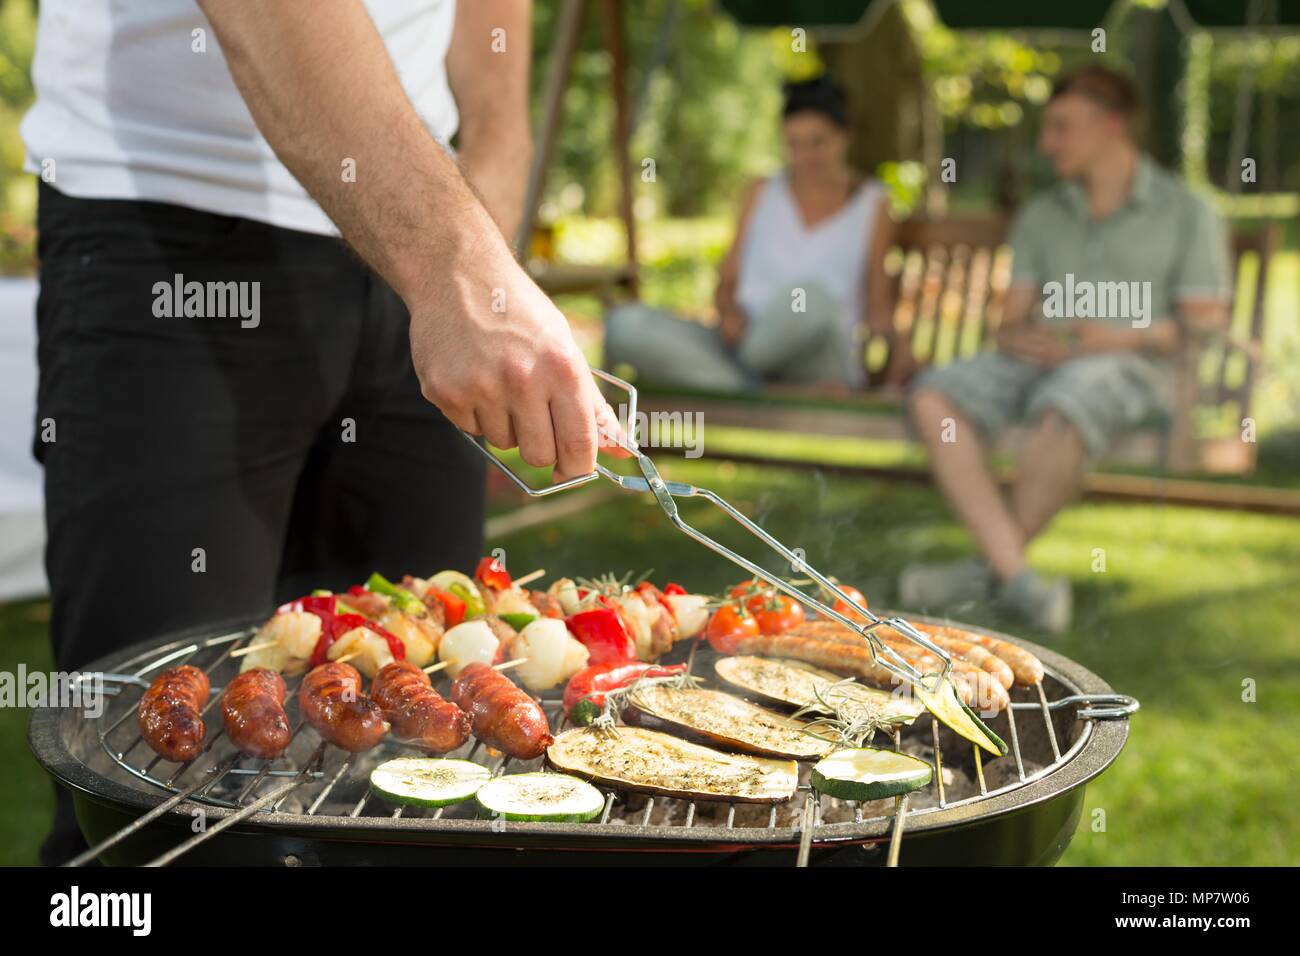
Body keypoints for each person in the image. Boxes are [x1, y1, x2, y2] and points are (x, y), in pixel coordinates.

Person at [23, 0, 622, 865]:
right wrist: (456, 261)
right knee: (156, 812)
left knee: (425, 796)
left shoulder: (443, 251)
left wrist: (485, 203)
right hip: (168, 224)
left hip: (415, 237)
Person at [901, 66, 1230, 633]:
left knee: (1066, 405)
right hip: (1038, 360)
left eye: (1061, 128)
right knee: (934, 396)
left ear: (1112, 125)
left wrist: (1120, 335)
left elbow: (1204, 325)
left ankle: (989, 577)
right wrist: (1019, 336)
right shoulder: (1043, 214)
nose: (1045, 143)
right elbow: (1009, 320)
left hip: (1134, 366)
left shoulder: (1186, 212)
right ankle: (1019, 580)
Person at [604, 75, 895, 392]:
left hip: (819, 357)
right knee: (625, 324)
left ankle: (733, 381)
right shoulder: (761, 190)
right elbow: (726, 283)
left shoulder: (873, 203)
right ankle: (757, 388)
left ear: (845, 136)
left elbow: (878, 308)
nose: (805, 157)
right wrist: (729, 313)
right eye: (794, 144)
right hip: (742, 344)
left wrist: (897, 358)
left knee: (811, 298)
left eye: (818, 143)